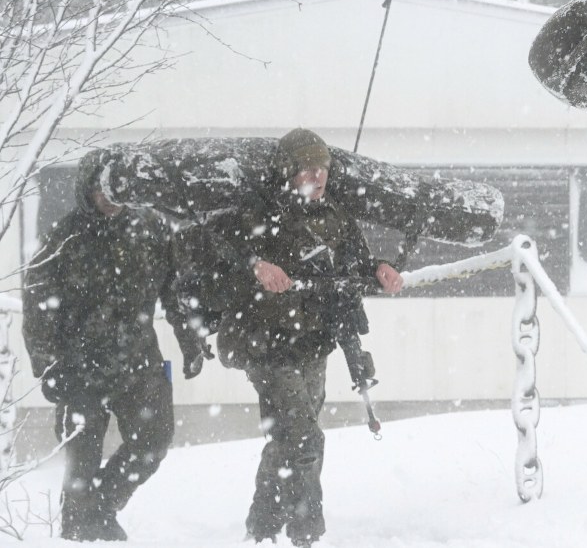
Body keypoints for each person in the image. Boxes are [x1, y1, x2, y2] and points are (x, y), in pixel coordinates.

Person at [204, 128, 402, 548]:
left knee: (288, 441)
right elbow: (215, 244)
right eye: (308, 168)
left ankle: (261, 530)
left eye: (323, 167)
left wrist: (379, 267)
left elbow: (355, 261)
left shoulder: (334, 214)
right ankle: (306, 535)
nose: (318, 175)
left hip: (313, 342)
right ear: (288, 171)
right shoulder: (259, 211)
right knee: (305, 438)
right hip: (265, 343)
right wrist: (257, 265)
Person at [22, 150, 210, 542]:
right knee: (81, 462)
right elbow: (38, 308)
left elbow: (176, 292)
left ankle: (101, 508)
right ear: (86, 190)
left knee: (154, 440)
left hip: (138, 361)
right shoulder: (63, 239)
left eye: (118, 188)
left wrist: (191, 341)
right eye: (102, 189)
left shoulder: (152, 230)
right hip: (79, 367)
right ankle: (81, 530)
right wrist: (48, 366)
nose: (110, 196)